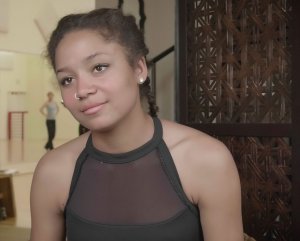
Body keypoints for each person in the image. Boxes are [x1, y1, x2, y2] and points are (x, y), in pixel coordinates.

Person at [30, 8, 244, 241]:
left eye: (99, 67)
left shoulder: (206, 159)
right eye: (67, 80)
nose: (82, 90)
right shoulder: (53, 172)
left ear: (139, 69)